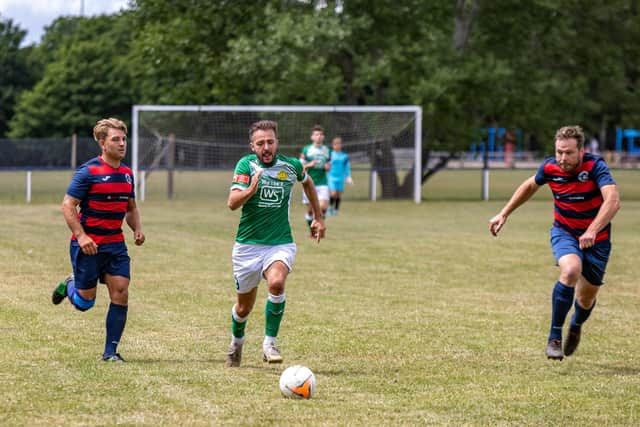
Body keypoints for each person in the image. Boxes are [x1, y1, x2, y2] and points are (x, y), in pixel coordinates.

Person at [489, 125, 620, 361]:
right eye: (559, 151)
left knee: (586, 298)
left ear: (581, 151)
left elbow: (612, 201)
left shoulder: (595, 166)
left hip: (597, 239)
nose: (562, 158)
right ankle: (554, 338)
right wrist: (504, 213)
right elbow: (529, 185)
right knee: (570, 270)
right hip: (565, 232)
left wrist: (591, 230)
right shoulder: (550, 167)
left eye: (568, 153)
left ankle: (576, 324)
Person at [226, 120, 326, 367]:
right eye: (260, 143)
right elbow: (232, 202)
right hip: (247, 247)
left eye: (270, 142)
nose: (266, 147)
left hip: (280, 243)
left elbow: (308, 182)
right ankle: (236, 344)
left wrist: (318, 217)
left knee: (277, 283)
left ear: (277, 143)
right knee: (242, 308)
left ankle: (269, 344)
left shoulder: (290, 166)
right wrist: (252, 188)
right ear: (253, 146)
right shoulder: (246, 165)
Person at [51, 118, 145, 362]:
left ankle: (110, 352)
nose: (122, 143)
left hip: (115, 246)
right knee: (84, 303)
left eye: (124, 139)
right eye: (116, 139)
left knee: (121, 292)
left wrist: (137, 229)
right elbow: (67, 205)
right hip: (89, 245)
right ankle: (69, 285)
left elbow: (131, 207)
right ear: (103, 143)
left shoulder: (127, 174)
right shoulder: (88, 172)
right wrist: (81, 236)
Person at [299, 125, 331, 234]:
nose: (319, 136)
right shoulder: (306, 149)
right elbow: (301, 167)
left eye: (321, 134)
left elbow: (329, 164)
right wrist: (309, 164)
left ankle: (319, 228)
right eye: (316, 134)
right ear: (312, 137)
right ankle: (313, 231)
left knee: (322, 208)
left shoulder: (327, 150)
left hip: (323, 183)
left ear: (323, 137)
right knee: (310, 211)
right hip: (309, 182)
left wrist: (328, 167)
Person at [327, 136, 353, 216]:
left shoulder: (344, 156)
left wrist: (348, 177)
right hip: (331, 177)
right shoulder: (330, 155)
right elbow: (326, 164)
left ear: (341, 145)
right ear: (333, 145)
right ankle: (330, 208)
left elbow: (346, 167)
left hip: (340, 177)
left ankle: (336, 210)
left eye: (339, 144)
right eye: (335, 144)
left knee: (338, 193)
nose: (337, 146)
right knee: (333, 193)